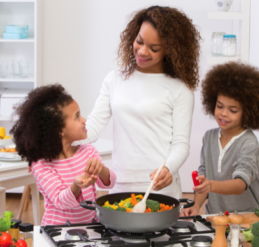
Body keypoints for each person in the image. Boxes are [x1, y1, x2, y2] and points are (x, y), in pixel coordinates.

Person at [75, 6, 201, 198]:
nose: (142, 51)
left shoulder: (180, 88)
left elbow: (181, 144)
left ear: (171, 49)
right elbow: (91, 129)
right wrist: (49, 145)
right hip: (120, 182)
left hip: (160, 185)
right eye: (139, 41)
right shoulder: (115, 79)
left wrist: (168, 167)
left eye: (154, 48)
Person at [10, 84, 116, 225]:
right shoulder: (42, 165)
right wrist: (76, 185)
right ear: (59, 129)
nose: (84, 120)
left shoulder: (88, 152)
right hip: (58, 232)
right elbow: (61, 201)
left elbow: (110, 183)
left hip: (92, 229)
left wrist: (101, 169)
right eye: (77, 117)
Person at [181, 62, 259, 216]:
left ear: (248, 112)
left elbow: (240, 184)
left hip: (248, 217)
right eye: (219, 106)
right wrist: (196, 205)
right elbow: (203, 179)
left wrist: (210, 185)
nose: (223, 114)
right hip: (216, 216)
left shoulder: (248, 143)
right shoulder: (209, 137)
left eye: (233, 110)